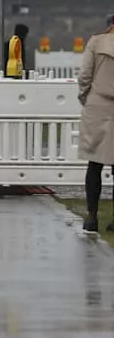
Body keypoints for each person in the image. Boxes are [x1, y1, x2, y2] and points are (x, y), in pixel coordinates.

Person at [78, 12, 114, 233]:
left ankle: (92, 217)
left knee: (94, 165)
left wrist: (86, 97)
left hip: (97, 107)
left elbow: (84, 76)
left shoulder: (96, 42)